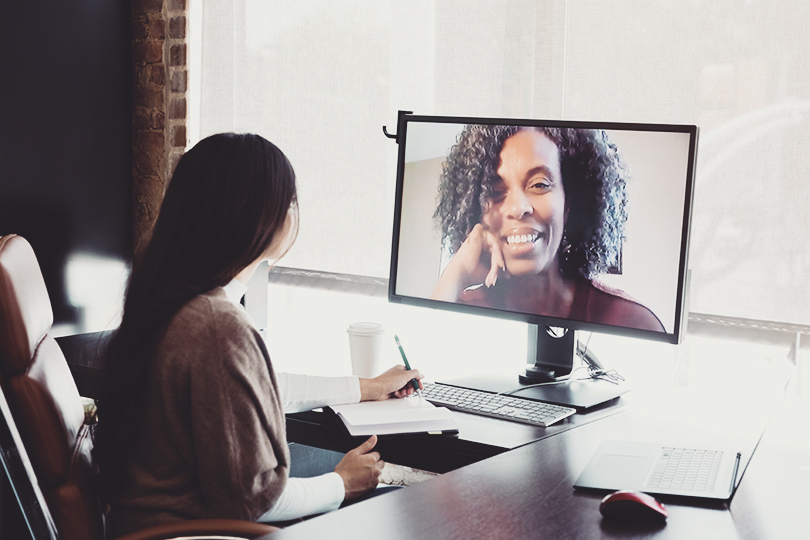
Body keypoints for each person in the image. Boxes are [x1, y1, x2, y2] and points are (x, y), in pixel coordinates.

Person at [92, 133, 423, 537]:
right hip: (201, 533)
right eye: (289, 202)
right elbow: (253, 502)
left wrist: (366, 387)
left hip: (158, 526)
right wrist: (342, 483)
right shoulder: (217, 324)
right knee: (406, 514)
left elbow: (251, 391)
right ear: (261, 218)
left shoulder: (175, 297)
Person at [431, 124, 664, 332]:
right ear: (475, 211)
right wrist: (456, 273)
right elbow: (413, 374)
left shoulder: (632, 321)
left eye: (539, 184)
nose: (518, 208)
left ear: (570, 202)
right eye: (495, 192)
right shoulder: (457, 311)